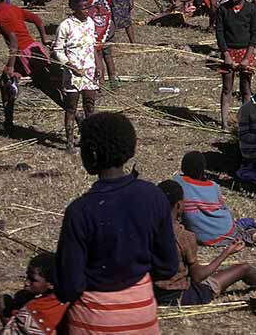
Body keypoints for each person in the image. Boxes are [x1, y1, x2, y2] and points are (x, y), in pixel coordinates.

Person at [55, 113, 178, 335]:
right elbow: (168, 267)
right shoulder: (153, 196)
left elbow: (70, 288)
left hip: (93, 322)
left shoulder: (80, 211)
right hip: (142, 318)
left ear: (91, 154)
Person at [153, 179, 256, 306]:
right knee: (244, 268)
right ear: (179, 205)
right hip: (180, 297)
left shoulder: (145, 229)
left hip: (151, 293)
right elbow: (198, 277)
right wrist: (226, 253)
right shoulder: (184, 237)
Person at [0, 0, 69, 136]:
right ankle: (8, 124)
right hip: (33, 49)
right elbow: (36, 19)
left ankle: (74, 114)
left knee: (49, 89)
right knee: (5, 84)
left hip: (24, 55)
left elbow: (14, 42)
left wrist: (11, 66)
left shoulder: (0, 16)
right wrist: (44, 38)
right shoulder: (13, 9)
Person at [53, 0, 99, 153]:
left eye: (89, 7)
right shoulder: (65, 25)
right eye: (83, 8)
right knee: (71, 108)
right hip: (72, 73)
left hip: (89, 70)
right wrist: (69, 65)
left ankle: (90, 140)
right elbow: (57, 50)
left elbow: (94, 46)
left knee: (90, 106)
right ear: (74, 8)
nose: (87, 11)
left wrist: (98, 66)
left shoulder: (90, 23)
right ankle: (69, 142)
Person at [216, 0, 256, 130]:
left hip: (245, 51)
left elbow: (254, 34)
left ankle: (246, 121)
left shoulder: (251, 10)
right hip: (229, 50)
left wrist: (247, 57)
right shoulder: (223, 9)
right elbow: (220, 33)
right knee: (227, 88)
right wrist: (226, 54)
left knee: (245, 88)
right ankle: (224, 122)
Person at [173, 151, 237, 246]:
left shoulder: (178, 182)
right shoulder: (213, 186)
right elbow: (224, 208)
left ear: (183, 167)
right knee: (240, 222)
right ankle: (250, 231)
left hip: (201, 236)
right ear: (203, 169)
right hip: (226, 233)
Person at [0, 253, 68, 335]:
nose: (26, 282)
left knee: (2, 300)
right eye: (27, 276)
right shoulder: (67, 299)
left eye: (32, 279)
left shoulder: (35, 309)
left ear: (51, 284)